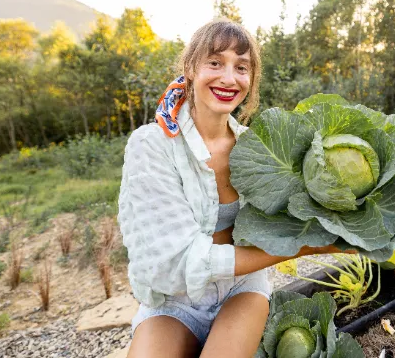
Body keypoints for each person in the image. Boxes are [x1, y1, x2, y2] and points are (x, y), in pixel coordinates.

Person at [118, 18, 343, 358]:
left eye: (242, 67)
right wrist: (303, 249)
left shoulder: (255, 148)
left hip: (241, 289)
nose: (228, 78)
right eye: (215, 62)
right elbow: (180, 262)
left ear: (251, 80)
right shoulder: (153, 145)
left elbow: (296, 209)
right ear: (191, 68)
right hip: (175, 300)